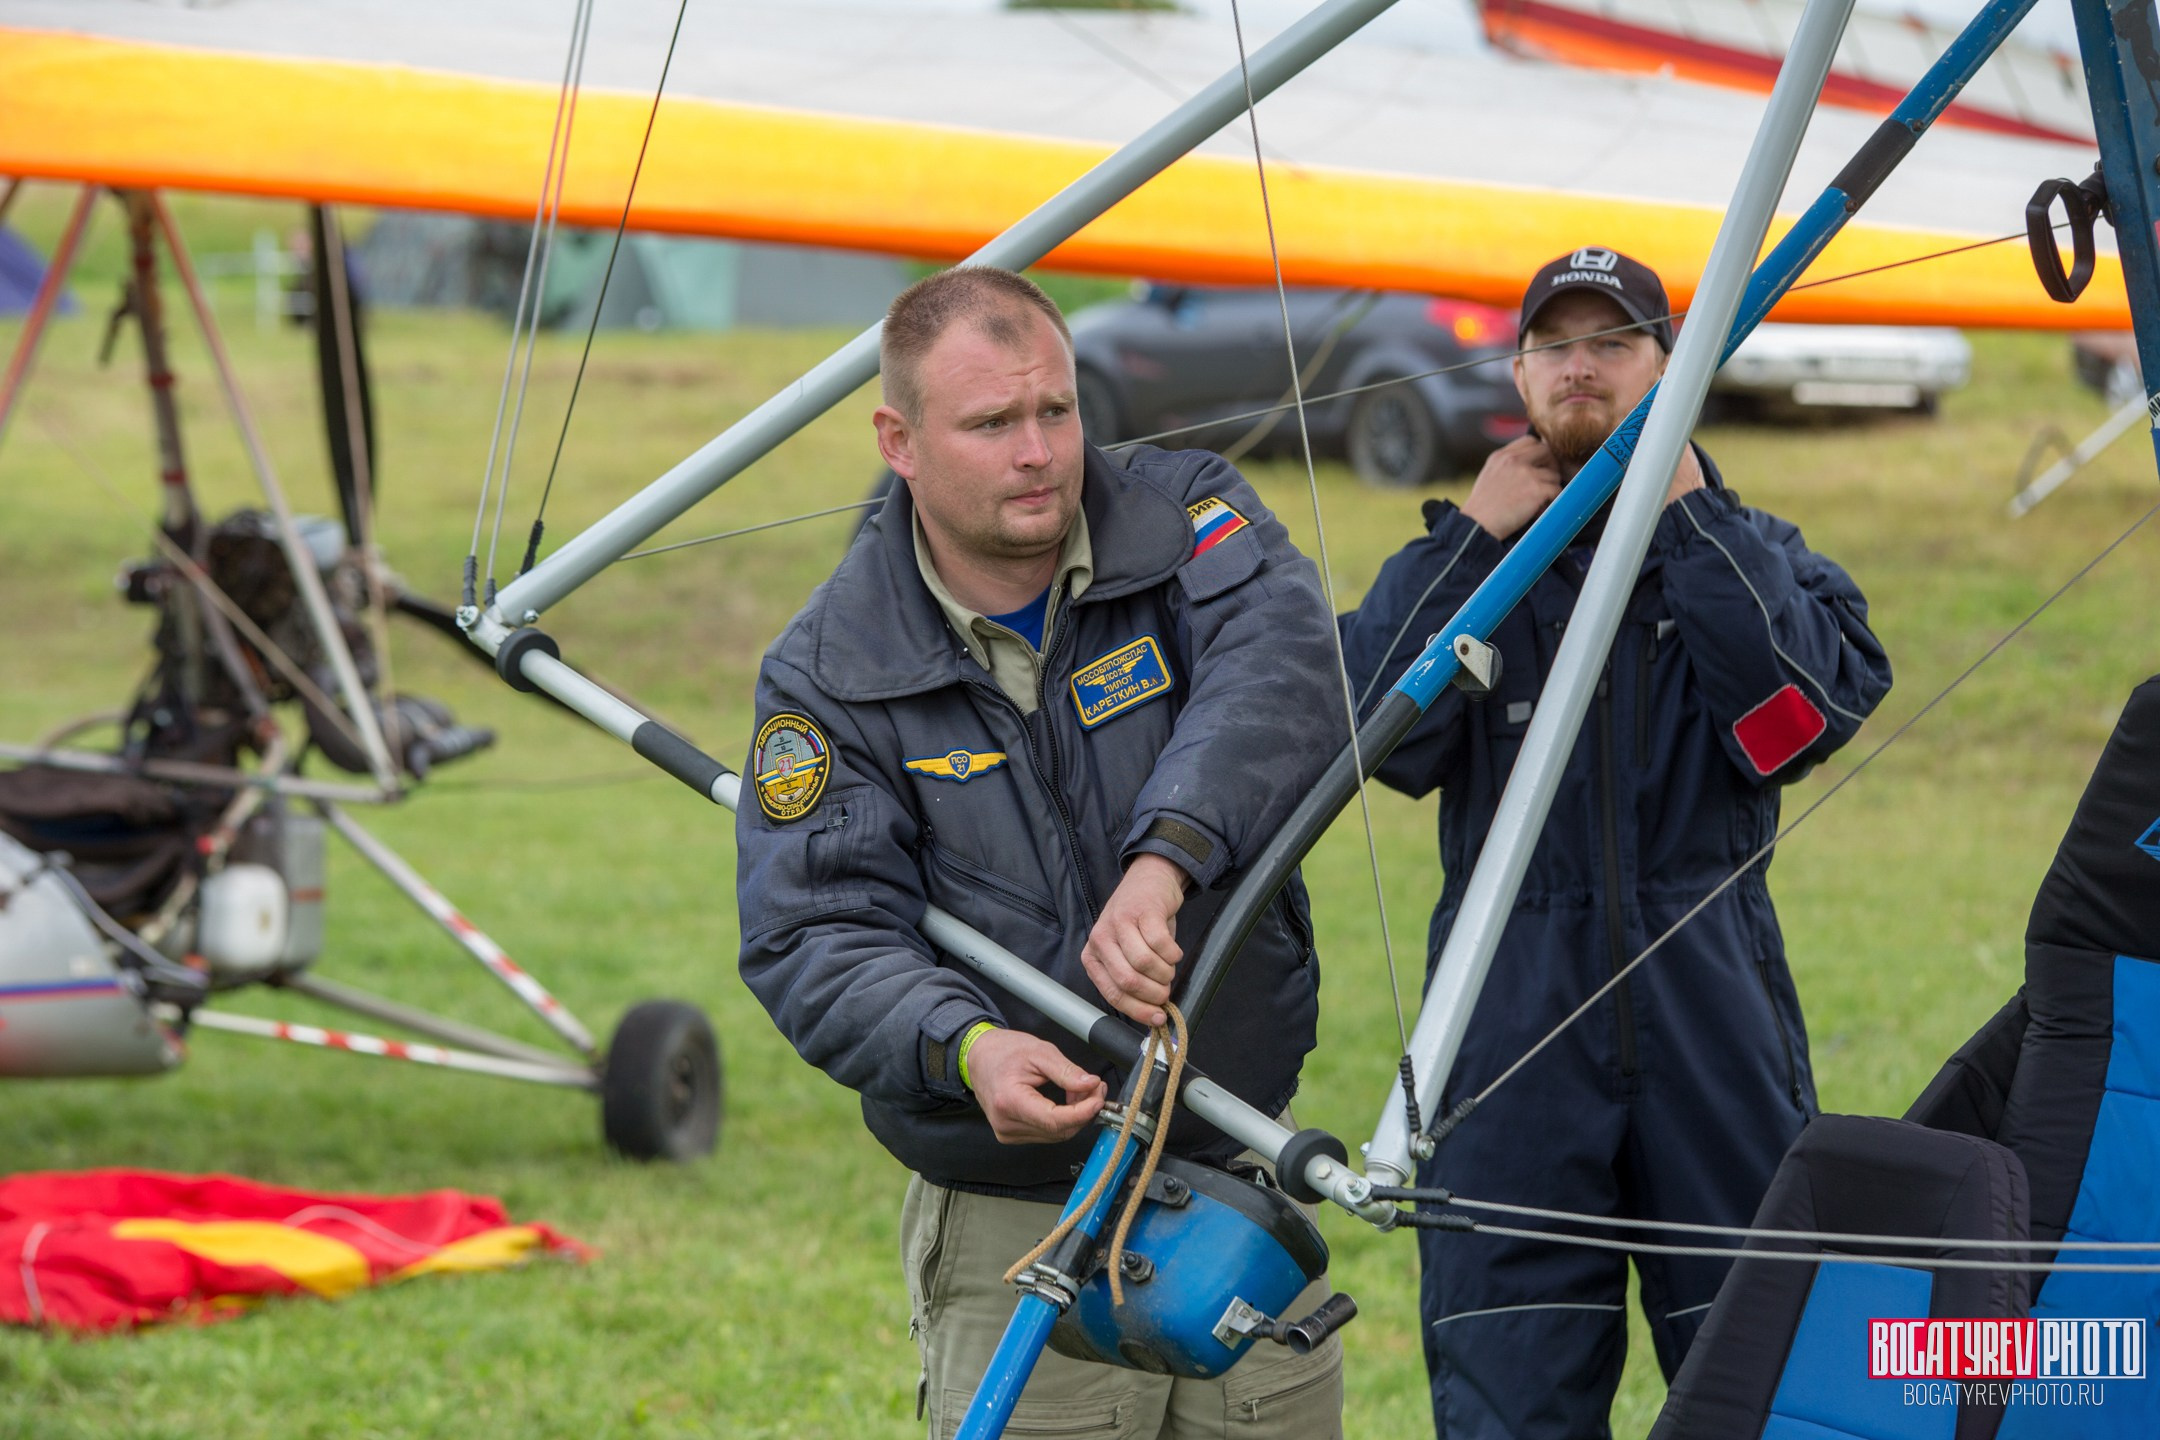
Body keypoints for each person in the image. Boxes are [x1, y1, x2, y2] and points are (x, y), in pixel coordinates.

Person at [735, 267, 1348, 1439]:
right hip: (1015, 1213)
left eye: (1056, 411)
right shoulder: (826, 670)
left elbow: (1282, 673)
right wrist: (964, 1049)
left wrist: (1164, 859)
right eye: (992, 423)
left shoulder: (1188, 519)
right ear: (898, 439)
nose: (1039, 453)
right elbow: (812, 932)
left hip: (1238, 1180)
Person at [1338, 247, 1894, 1439]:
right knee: (1509, 1389)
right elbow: (1374, 735)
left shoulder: (1748, 550)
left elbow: (1796, 723)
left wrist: (1688, 512)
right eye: (1556, 344)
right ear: (1520, 373)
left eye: (1616, 344)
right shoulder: (1467, 563)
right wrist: (1476, 545)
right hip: (1507, 1025)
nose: (1581, 366)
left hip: (1709, 999)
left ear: (1671, 370)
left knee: (1763, 1382)